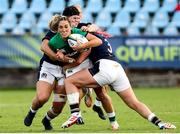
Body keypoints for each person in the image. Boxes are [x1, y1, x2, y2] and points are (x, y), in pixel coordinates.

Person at [61, 29, 177, 130]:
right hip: (117, 68)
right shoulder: (99, 36)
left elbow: (81, 58)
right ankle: (160, 123)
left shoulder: (91, 39)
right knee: (134, 102)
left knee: (69, 81)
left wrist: (67, 63)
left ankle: (75, 113)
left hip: (104, 67)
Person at [41, 11, 119, 130]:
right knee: (69, 92)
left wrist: (80, 51)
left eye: (79, 17)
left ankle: (113, 122)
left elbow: (91, 45)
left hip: (86, 63)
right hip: (73, 67)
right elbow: (54, 54)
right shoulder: (54, 41)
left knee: (101, 93)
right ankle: (76, 113)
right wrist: (60, 56)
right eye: (74, 17)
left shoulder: (78, 31)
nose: (77, 20)